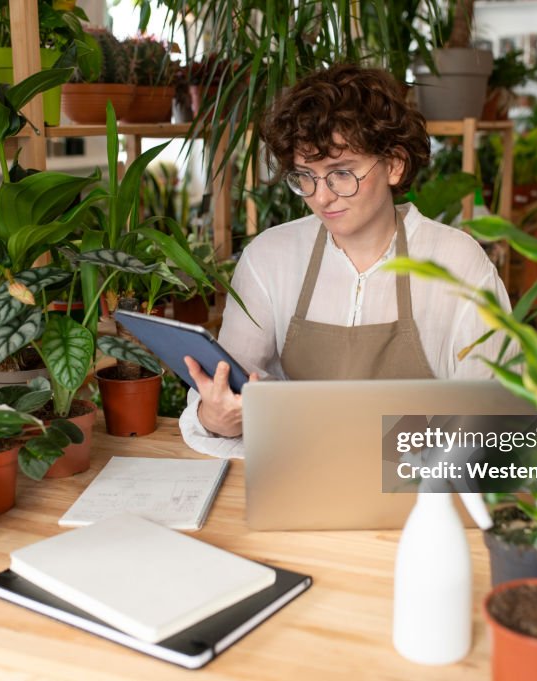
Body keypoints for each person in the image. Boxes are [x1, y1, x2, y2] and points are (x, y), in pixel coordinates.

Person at [179, 64, 514, 458]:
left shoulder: (456, 264)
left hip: (421, 491)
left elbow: (497, 413)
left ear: (394, 165)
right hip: (299, 481)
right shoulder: (269, 258)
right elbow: (227, 389)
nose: (321, 197)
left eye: (341, 173)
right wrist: (214, 417)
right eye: (305, 176)